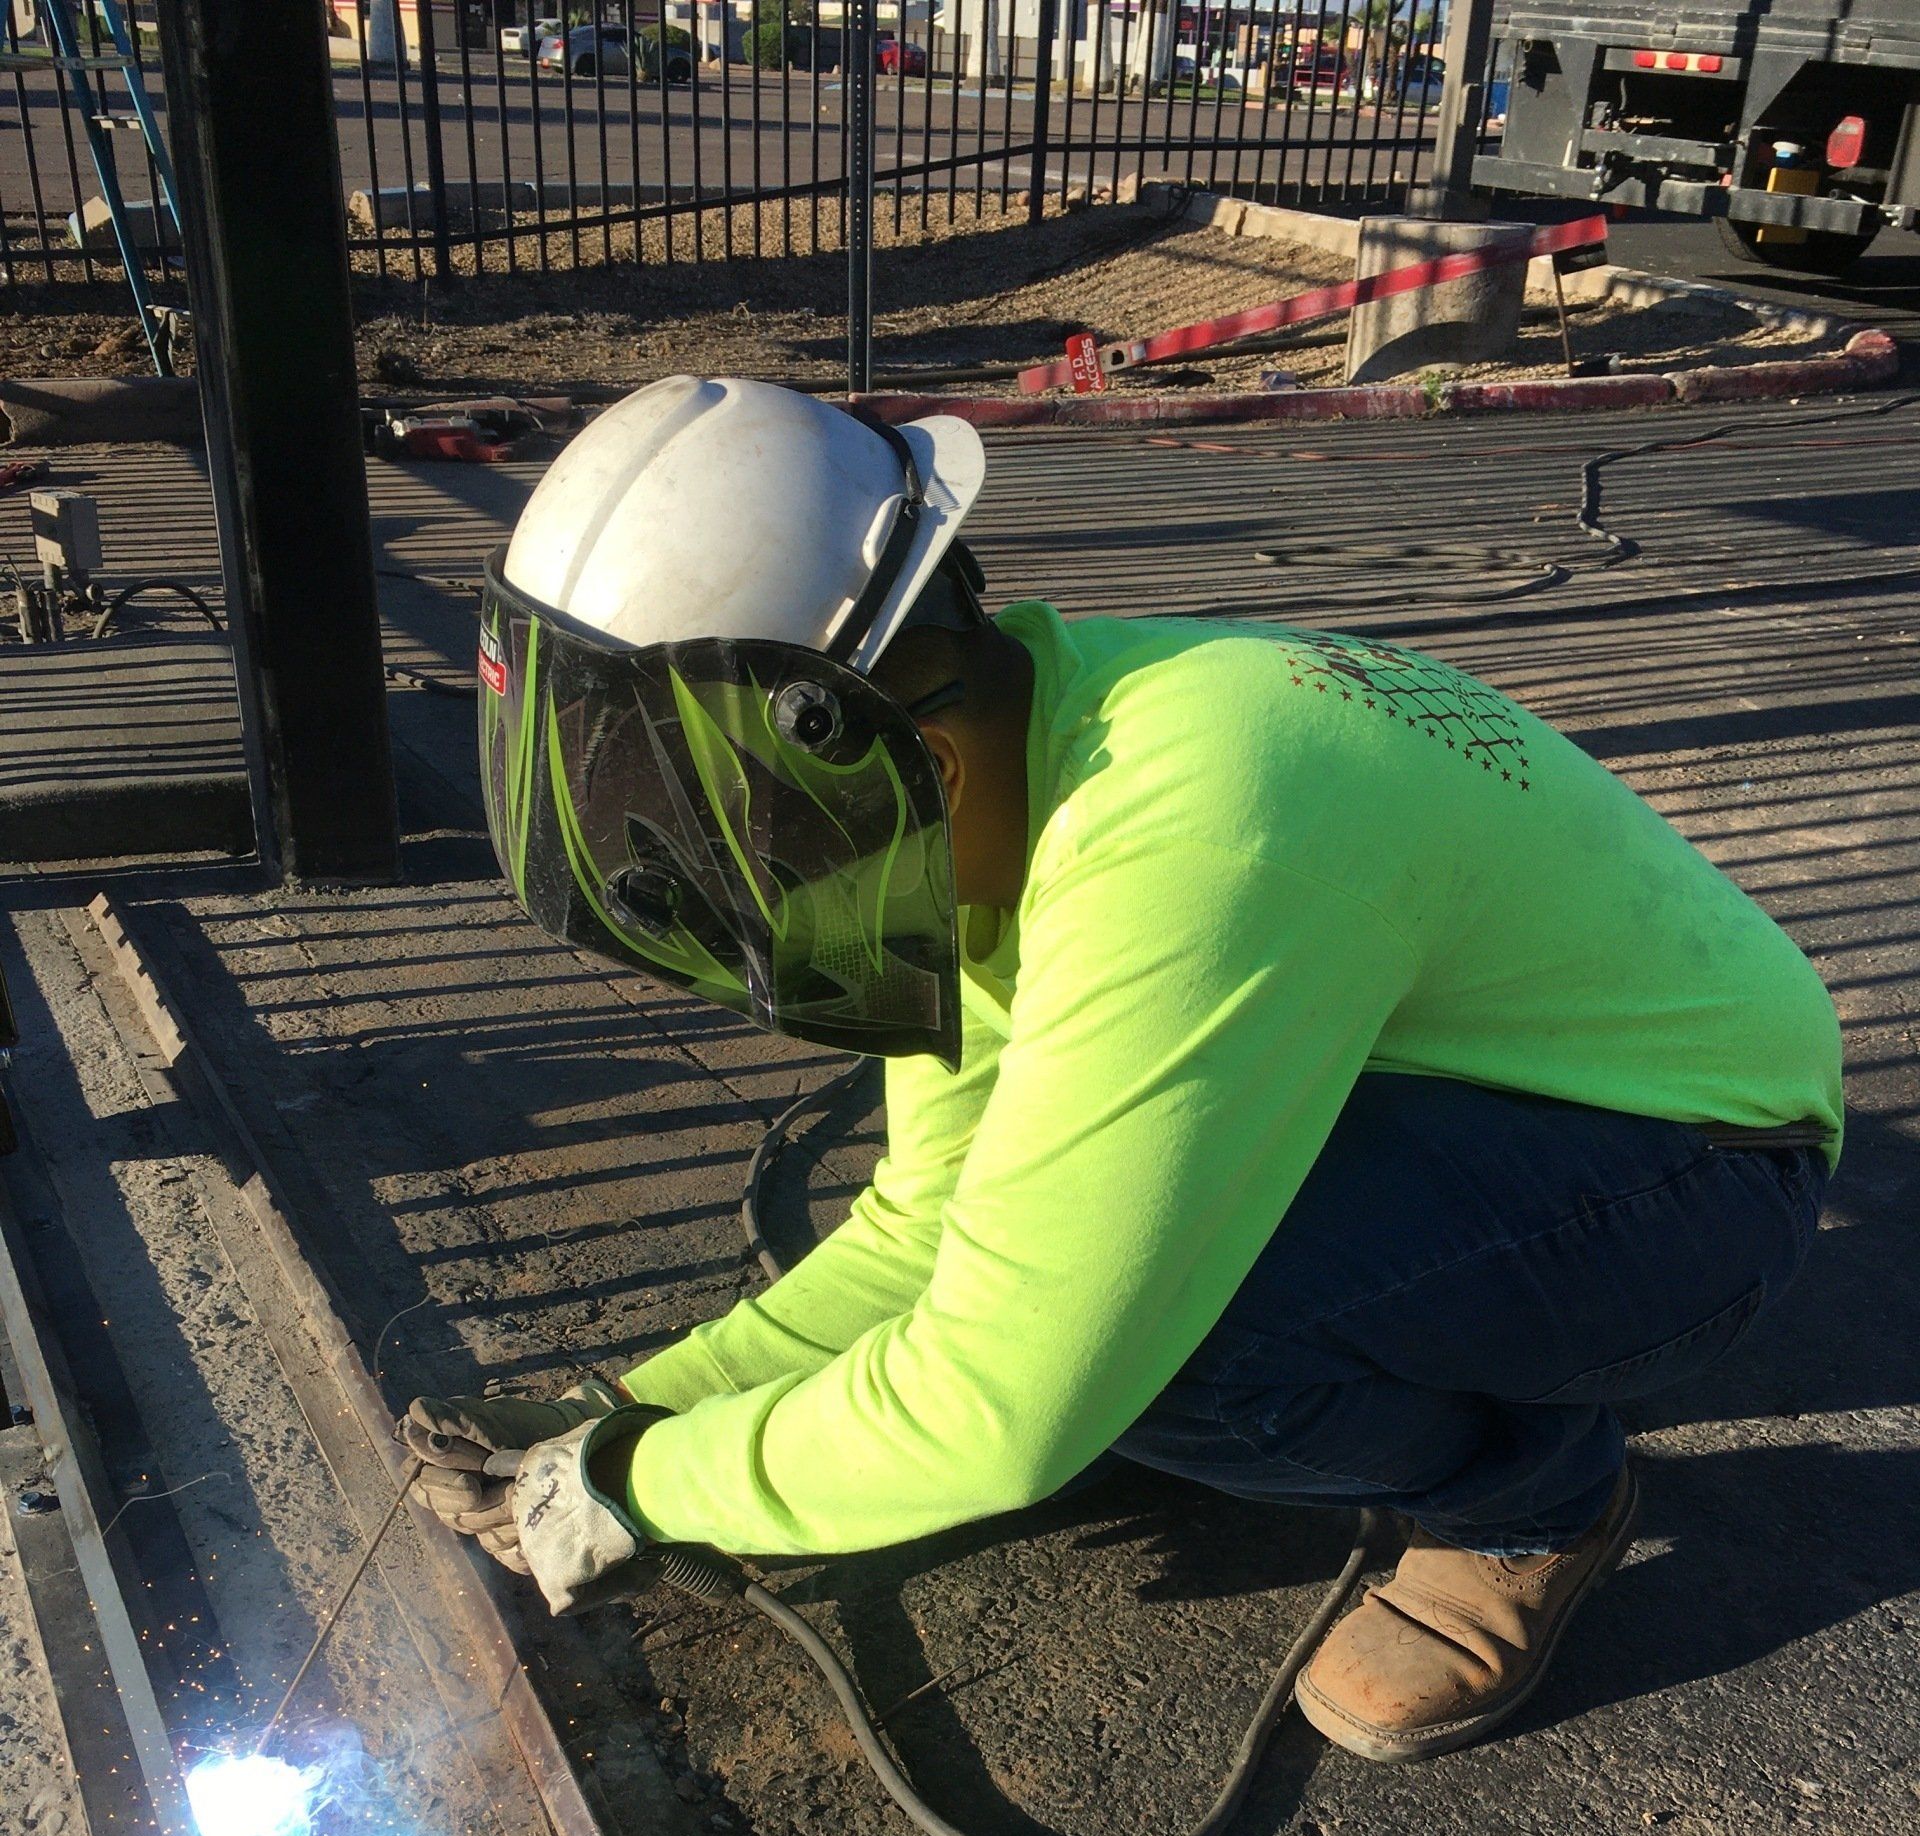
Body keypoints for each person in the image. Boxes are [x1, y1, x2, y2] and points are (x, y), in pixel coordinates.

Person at [407, 376, 1840, 1765]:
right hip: (1487, 1088)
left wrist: (643, 1492)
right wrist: (635, 1412)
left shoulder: (1188, 835)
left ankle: (1532, 1501)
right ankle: (1421, 1369)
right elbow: (930, 1226)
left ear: (896, 767)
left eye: (778, 868)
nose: (794, 916)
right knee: (1087, 1287)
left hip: (1704, 1168)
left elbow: (1011, 1398)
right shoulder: (1012, 750)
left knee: (1158, 1353)